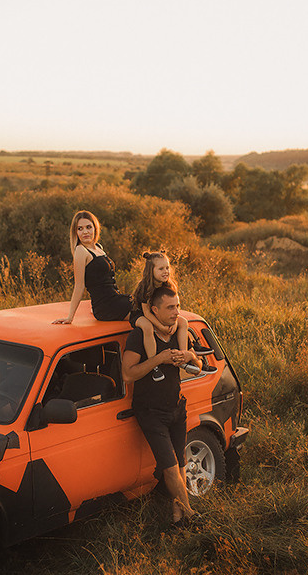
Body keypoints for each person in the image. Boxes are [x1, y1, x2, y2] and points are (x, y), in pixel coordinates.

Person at [121, 285, 202, 526]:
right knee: (169, 467)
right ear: (154, 310)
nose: (176, 311)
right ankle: (191, 515)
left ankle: (177, 519)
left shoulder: (179, 333)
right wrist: (159, 359)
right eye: (170, 307)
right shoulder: (138, 336)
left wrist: (190, 357)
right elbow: (127, 374)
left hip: (177, 407)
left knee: (181, 463)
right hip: (150, 412)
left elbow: (196, 368)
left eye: (177, 306)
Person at [53, 210, 133, 324]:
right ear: (75, 232)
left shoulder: (98, 247)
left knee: (146, 304)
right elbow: (79, 286)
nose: (85, 232)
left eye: (88, 227)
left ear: (95, 228)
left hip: (115, 300)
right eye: (80, 228)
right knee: (146, 310)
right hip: (106, 308)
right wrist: (70, 317)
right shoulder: (81, 251)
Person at [131, 252, 191, 382]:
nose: (166, 272)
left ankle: (183, 356)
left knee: (183, 322)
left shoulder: (169, 285)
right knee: (147, 327)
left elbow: (176, 308)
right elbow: (146, 313)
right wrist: (162, 327)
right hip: (141, 314)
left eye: (167, 268)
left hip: (157, 313)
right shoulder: (145, 287)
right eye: (161, 269)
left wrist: (173, 324)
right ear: (151, 271)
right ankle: (155, 366)